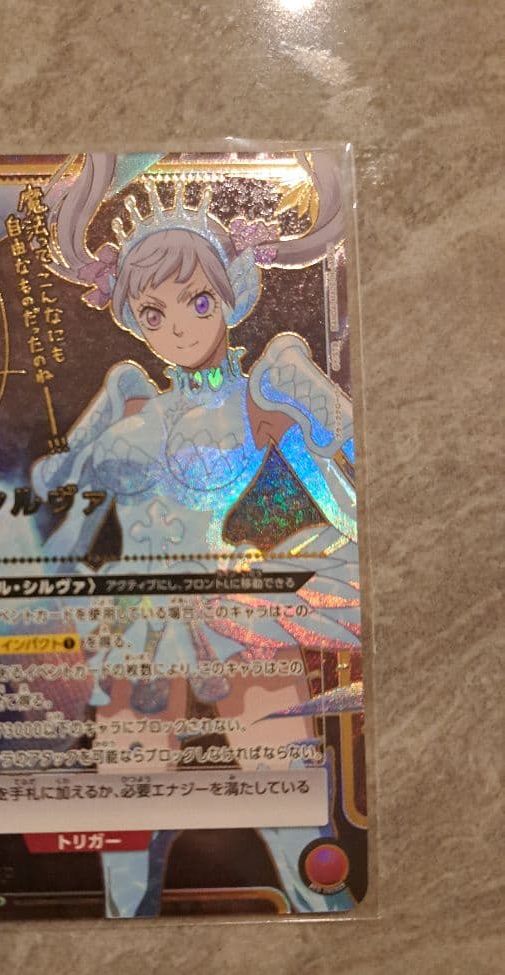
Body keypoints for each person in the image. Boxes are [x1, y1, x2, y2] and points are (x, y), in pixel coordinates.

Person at [31, 153, 361, 916]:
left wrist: (352, 546)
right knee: (125, 824)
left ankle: (326, 911)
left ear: (231, 294)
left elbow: (341, 485)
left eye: (197, 301)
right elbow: (68, 514)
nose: (177, 325)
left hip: (236, 614)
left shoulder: (265, 388)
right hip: (135, 618)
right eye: (153, 313)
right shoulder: (129, 397)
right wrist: (44, 587)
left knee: (286, 799)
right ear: (131, 317)